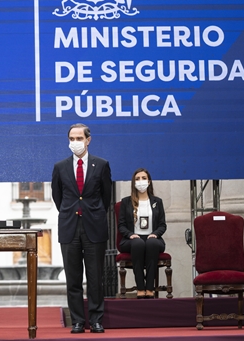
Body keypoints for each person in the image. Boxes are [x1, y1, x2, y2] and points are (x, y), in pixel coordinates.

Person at [52, 123, 111, 334]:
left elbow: (106, 198)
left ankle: (96, 320)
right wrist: (72, 211)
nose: (75, 142)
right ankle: (77, 320)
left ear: (88, 140)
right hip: (69, 228)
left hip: (94, 227)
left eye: (79, 138)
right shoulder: (60, 167)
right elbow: (58, 198)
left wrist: (91, 212)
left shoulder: (101, 165)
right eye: (71, 139)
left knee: (95, 277)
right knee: (73, 278)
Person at [117, 168, 167, 299]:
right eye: (137, 179)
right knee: (138, 243)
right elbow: (121, 225)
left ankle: (149, 288)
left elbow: (162, 224)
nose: (141, 181)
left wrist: (155, 234)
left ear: (149, 182)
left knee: (151, 243)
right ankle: (140, 287)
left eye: (144, 178)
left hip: (153, 238)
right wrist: (130, 234)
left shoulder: (157, 202)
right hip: (131, 239)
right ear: (133, 183)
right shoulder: (126, 202)